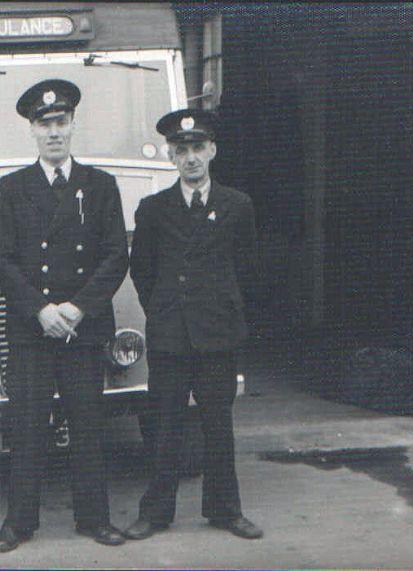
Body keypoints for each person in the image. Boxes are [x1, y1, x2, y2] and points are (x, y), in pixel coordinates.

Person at [0, 79, 129, 553]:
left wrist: (76, 307)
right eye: (44, 124)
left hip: (82, 330)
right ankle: (18, 523)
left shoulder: (101, 186)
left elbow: (115, 256)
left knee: (88, 426)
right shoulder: (12, 189)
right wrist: (41, 310)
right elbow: (2, 261)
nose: (54, 133)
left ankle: (95, 519)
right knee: (27, 429)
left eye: (61, 123)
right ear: (31, 130)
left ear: (72, 126)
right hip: (33, 330)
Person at [124, 108, 263, 541]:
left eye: (198, 148)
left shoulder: (237, 205)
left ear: (212, 151)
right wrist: (164, 312)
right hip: (170, 336)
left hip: (217, 334)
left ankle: (225, 509)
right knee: (165, 426)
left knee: (218, 426)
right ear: (170, 155)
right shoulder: (153, 208)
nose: (191, 158)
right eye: (181, 150)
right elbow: (142, 271)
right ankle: (156, 513)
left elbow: (249, 269)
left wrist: (228, 312)